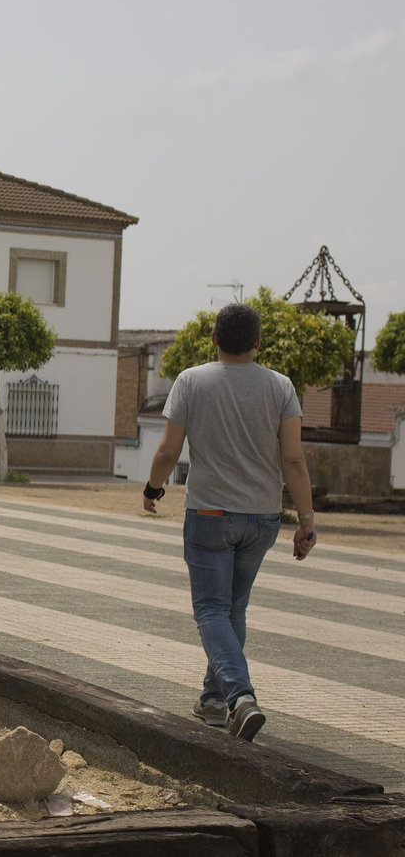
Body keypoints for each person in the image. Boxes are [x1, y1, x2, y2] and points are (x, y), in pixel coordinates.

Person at [142, 302, 316, 741]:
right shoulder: (280, 387)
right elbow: (292, 458)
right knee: (233, 609)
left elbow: (167, 451)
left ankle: (240, 697)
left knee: (211, 610)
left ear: (214, 339)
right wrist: (307, 519)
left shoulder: (191, 381)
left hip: (210, 515)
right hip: (262, 517)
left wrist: (153, 489)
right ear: (257, 341)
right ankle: (213, 700)